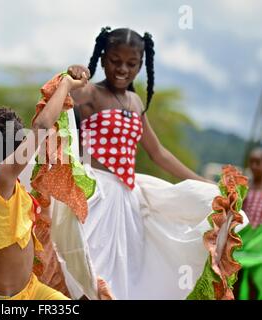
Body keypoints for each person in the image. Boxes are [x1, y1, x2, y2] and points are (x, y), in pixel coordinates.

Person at [65, 26, 244, 299]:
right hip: (96, 197)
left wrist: (201, 180)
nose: (122, 69)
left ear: (140, 66)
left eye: (131, 63)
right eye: (115, 60)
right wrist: (71, 77)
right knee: (90, 269)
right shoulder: (90, 93)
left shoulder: (135, 103)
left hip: (128, 203)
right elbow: (60, 104)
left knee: (125, 276)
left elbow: (158, 153)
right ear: (102, 59)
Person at [0, 74, 113, 300]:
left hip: (32, 289)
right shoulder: (3, 176)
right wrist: (64, 85)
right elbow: (42, 126)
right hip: (2, 297)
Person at [235, 147, 262, 299]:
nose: (254, 166)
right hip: (242, 241)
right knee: (237, 276)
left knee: (255, 280)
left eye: (258, 162)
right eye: (252, 162)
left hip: (259, 246)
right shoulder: (245, 188)